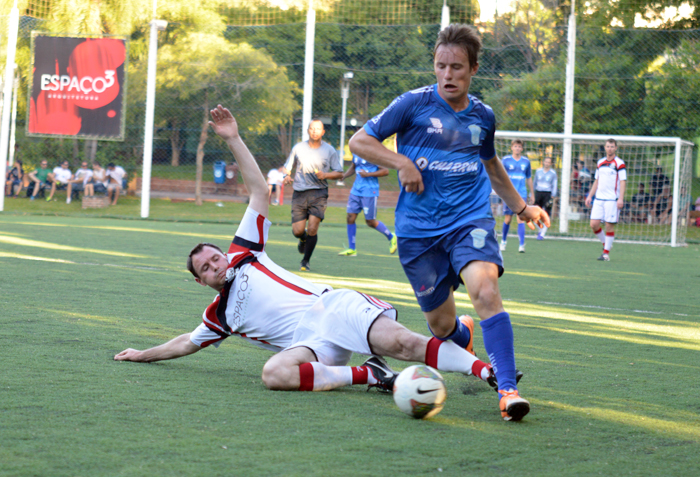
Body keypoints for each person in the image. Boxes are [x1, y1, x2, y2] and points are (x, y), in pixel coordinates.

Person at [114, 105, 511, 401]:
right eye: (205, 267)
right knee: (274, 373)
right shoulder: (218, 317)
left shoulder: (243, 253)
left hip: (332, 308)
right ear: (201, 281)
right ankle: (369, 375)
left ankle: (488, 372)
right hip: (311, 345)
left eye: (214, 256)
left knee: (405, 345)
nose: (215, 264)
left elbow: (257, 190)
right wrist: (141, 355)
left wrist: (233, 138)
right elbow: (185, 343)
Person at [348, 24, 549, 421]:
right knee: (440, 327)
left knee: (485, 290)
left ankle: (508, 390)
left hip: (468, 221)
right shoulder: (411, 104)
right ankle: (464, 334)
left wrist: (521, 207)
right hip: (417, 232)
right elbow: (359, 142)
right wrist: (402, 162)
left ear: (473, 69)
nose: (447, 75)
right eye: (441, 66)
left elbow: (491, 165)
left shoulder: (482, 117)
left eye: (457, 67)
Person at [282, 120, 343, 271]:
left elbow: (339, 173)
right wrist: (287, 176)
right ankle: (302, 239)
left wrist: (326, 174)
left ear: (323, 132)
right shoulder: (298, 148)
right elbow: (286, 168)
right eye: (312, 128)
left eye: (318, 129)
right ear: (308, 131)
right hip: (300, 193)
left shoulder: (329, 151)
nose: (315, 131)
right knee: (297, 231)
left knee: (313, 228)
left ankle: (305, 261)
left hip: (319, 193)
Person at [337, 154, 397, 256]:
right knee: (350, 216)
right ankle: (352, 249)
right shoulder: (356, 152)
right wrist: (344, 176)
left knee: (370, 221)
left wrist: (368, 174)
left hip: (369, 191)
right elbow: (353, 167)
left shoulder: (372, 153)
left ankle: (391, 237)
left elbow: (385, 171)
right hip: (356, 190)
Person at [585, 139, 627, 262]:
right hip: (599, 198)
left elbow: (623, 181)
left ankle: (605, 254)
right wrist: (590, 196)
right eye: (608, 146)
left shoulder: (619, 163)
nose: (609, 148)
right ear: (605, 147)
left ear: (616, 148)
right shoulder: (600, 162)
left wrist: (621, 198)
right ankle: (606, 243)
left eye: (612, 146)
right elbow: (596, 181)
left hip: (612, 200)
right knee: (593, 224)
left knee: (609, 225)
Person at [500, 139, 534, 252]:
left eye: (519, 146)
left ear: (522, 148)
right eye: (515, 146)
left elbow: (529, 178)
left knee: (521, 218)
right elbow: (500, 176)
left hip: (522, 194)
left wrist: (532, 193)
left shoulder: (526, 162)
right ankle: (503, 241)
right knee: (508, 219)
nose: (517, 148)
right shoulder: (505, 160)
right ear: (511, 148)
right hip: (509, 194)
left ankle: (521, 245)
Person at [532, 156, 557, 239]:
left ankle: (542, 234)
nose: (547, 163)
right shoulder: (538, 171)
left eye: (548, 162)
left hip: (548, 194)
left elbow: (555, 184)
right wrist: (531, 194)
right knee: (534, 214)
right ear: (543, 162)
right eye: (545, 162)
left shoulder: (553, 173)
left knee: (546, 213)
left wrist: (553, 194)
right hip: (538, 193)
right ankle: (541, 230)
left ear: (551, 164)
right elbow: (534, 182)